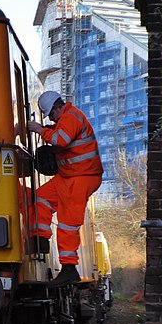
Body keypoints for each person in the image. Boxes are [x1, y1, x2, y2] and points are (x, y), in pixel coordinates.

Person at [27, 90, 103, 287]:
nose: (51, 118)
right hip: (69, 176)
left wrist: (39, 130)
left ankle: (69, 269)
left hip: (82, 177)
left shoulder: (71, 116)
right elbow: (59, 133)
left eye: (51, 114)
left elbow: (61, 139)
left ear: (57, 107)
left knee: (67, 224)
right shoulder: (65, 119)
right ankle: (40, 239)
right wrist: (44, 128)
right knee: (40, 197)